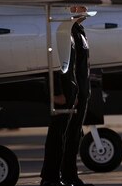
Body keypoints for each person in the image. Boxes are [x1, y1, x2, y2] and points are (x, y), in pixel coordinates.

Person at [40, 18, 93, 186]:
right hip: (68, 94)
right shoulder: (62, 30)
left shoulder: (78, 30)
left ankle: (69, 175)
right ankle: (50, 178)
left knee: (73, 137)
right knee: (59, 136)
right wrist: (59, 92)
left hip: (77, 93)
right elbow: (56, 65)